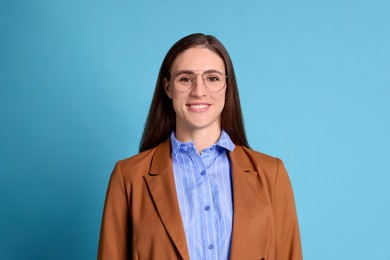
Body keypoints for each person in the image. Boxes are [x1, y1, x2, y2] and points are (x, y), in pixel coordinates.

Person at [98, 33, 302, 260]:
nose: (199, 91)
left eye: (212, 78)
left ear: (227, 86)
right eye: (185, 78)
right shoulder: (128, 177)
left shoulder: (271, 174)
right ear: (168, 87)